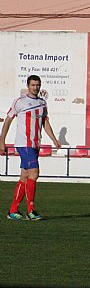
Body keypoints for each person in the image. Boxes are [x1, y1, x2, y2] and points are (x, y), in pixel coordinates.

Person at [0, 75, 61, 220]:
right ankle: (31, 210)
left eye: (38, 85)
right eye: (33, 85)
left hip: (35, 144)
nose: (36, 87)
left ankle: (13, 211)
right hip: (24, 143)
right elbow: (8, 120)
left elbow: (45, 122)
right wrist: (2, 141)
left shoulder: (42, 103)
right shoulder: (20, 102)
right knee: (34, 173)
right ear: (28, 86)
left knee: (25, 176)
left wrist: (54, 139)